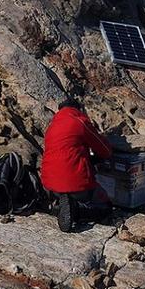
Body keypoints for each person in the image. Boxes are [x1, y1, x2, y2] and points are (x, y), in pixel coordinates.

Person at [40, 98, 113, 232]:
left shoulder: (51, 127)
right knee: (106, 208)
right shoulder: (79, 121)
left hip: (50, 184)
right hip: (77, 185)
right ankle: (77, 210)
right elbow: (104, 150)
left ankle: (61, 204)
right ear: (78, 109)